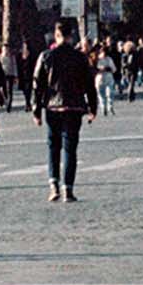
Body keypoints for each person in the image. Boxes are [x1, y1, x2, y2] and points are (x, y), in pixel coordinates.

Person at [30, 18, 99, 202]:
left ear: (56, 35)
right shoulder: (80, 57)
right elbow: (89, 84)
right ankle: (68, 188)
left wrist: (36, 110)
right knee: (70, 148)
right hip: (74, 106)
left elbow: (38, 84)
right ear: (71, 36)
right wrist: (93, 107)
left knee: (53, 147)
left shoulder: (46, 56)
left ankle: (54, 186)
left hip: (53, 107)